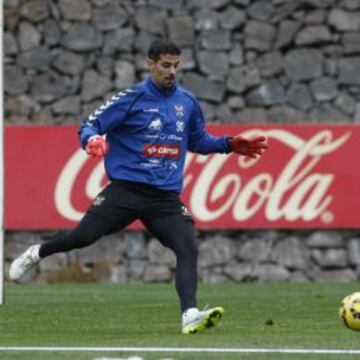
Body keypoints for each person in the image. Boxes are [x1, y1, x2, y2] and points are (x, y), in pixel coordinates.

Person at [9, 39, 267, 334]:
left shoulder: (187, 102)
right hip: (126, 190)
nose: (172, 71)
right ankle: (37, 253)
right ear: (151, 64)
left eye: (176, 66)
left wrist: (228, 145)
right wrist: (92, 140)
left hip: (164, 198)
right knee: (82, 236)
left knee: (188, 247)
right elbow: (90, 125)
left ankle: (190, 315)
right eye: (166, 65)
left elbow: (196, 140)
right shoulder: (130, 98)